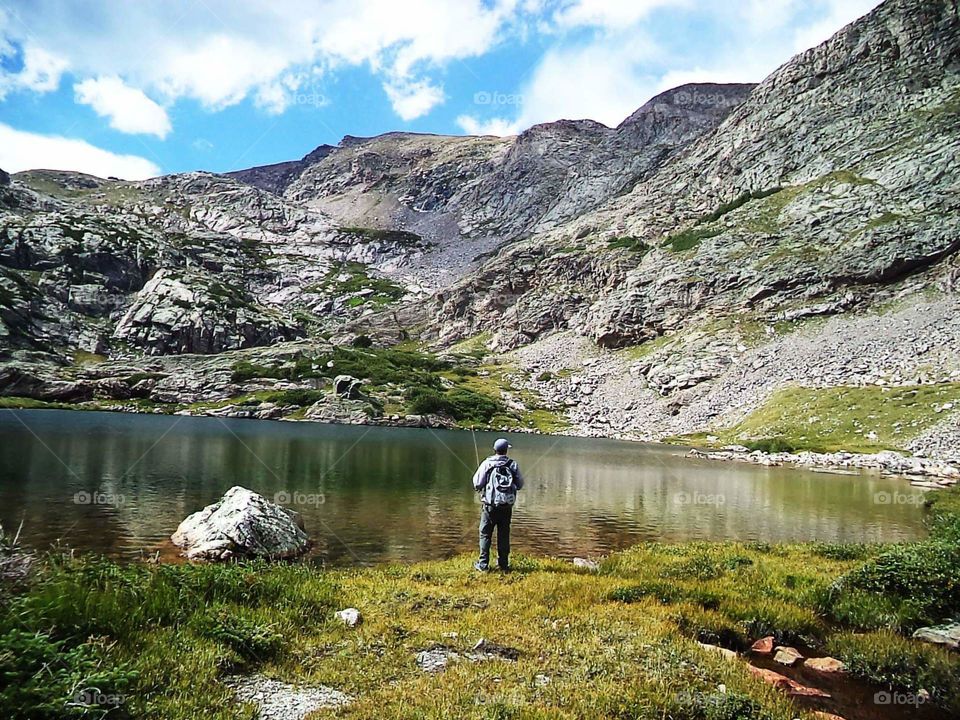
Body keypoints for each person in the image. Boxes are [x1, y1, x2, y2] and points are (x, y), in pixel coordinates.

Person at [472, 438, 524, 572]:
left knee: (485, 534)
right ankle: (503, 565)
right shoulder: (512, 464)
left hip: (490, 506)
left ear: (494, 450)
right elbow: (520, 485)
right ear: (506, 450)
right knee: (504, 534)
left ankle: (483, 565)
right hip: (506, 506)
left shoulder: (487, 463)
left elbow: (477, 484)